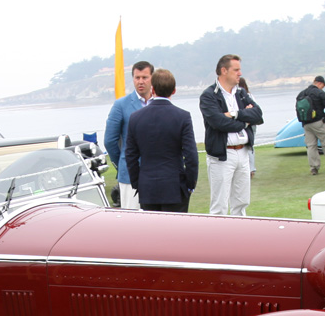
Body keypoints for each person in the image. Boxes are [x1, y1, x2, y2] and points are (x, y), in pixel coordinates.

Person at [124, 69, 198, 212]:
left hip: (147, 186)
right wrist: (190, 185)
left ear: (152, 89)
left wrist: (137, 183)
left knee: (151, 233)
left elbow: (131, 155)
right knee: (175, 232)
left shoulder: (135, 118)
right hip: (175, 187)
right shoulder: (183, 117)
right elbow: (191, 156)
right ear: (174, 90)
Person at [199, 54, 263, 216]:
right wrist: (245, 120)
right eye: (236, 70)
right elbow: (219, 123)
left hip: (243, 152)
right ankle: (218, 239)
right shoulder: (209, 95)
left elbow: (258, 115)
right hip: (222, 155)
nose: (240, 74)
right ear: (224, 71)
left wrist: (233, 114)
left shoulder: (241, 93)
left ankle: (239, 238)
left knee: (241, 202)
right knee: (219, 204)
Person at [104, 61, 154, 210]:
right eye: (137, 78)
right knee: (132, 222)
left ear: (152, 78)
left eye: (144, 77)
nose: (140, 81)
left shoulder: (159, 103)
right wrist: (122, 162)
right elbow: (110, 141)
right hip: (129, 175)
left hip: (155, 172)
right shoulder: (121, 105)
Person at [295, 75, 325, 176]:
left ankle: (314, 168)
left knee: (311, 146)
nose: (323, 87)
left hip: (306, 124)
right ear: (319, 83)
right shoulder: (319, 93)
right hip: (319, 122)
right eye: (323, 85)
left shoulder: (301, 94)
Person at [237, 77, 257, 175]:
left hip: (248, 123)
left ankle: (250, 169)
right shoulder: (249, 95)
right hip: (250, 123)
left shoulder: (246, 96)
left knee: (248, 145)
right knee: (249, 145)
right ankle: (250, 168)